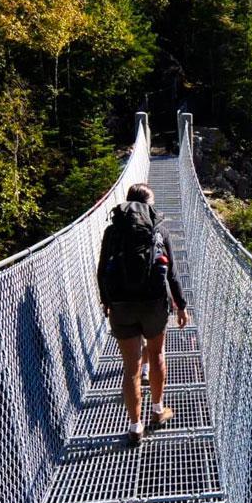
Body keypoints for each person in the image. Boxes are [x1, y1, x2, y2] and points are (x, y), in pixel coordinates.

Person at [97, 183, 189, 445]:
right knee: (157, 354)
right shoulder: (159, 228)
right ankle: (158, 411)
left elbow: (102, 270)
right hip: (154, 303)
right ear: (148, 205)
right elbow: (171, 273)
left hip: (121, 305)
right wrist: (181, 306)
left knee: (130, 368)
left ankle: (135, 427)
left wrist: (107, 301)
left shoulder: (113, 231)